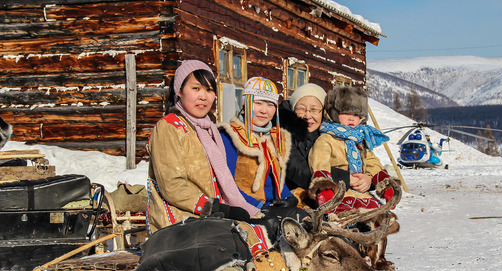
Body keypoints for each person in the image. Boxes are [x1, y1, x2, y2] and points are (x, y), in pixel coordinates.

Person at [146, 60, 260, 234]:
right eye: (196, 88)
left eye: (209, 90)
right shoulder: (169, 126)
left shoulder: (209, 130)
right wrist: (213, 208)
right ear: (179, 91)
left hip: (209, 218)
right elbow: (172, 186)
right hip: (179, 222)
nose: (203, 96)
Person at [308, 87, 396, 214]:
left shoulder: (359, 141)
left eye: (356, 115)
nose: (351, 118)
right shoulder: (326, 140)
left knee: (378, 220)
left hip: (361, 193)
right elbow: (320, 164)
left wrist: (383, 184)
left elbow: (372, 163)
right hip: (339, 194)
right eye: (346, 113)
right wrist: (325, 191)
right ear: (335, 113)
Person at [218, 76, 295, 208]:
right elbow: (226, 183)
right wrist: (258, 206)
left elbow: (276, 180)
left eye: (270, 105)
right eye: (258, 103)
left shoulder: (276, 138)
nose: (264, 111)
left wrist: (290, 198)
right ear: (245, 103)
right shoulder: (231, 135)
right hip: (243, 207)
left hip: (271, 206)